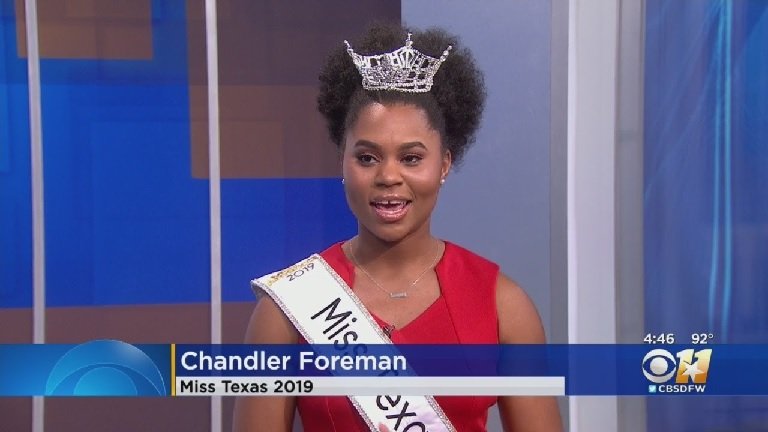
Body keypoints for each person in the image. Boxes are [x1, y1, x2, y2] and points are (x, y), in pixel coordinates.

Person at [233, 22, 562, 432]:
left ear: (444, 164)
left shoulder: (503, 305)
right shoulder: (288, 308)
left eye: (411, 158)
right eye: (367, 158)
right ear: (343, 163)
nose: (388, 176)